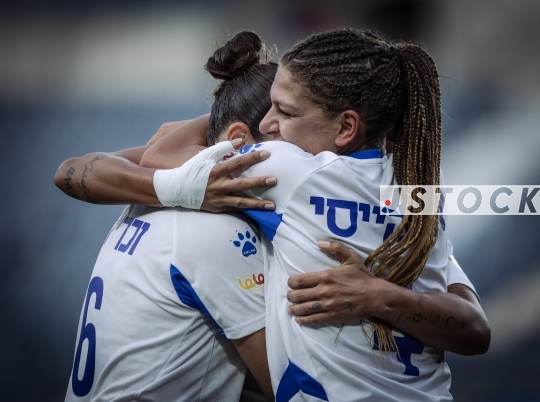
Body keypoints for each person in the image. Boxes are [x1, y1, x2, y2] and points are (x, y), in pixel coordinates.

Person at [55, 30, 489, 402]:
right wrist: (384, 296)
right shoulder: (421, 185)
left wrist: (223, 122)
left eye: (285, 111)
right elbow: (476, 331)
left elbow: (138, 156)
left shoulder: (287, 171)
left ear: (345, 126)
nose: (270, 125)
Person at [62, 31, 276, 402]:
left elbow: (81, 167)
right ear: (241, 139)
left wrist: (223, 112)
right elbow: (285, 386)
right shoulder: (219, 229)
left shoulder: (153, 187)